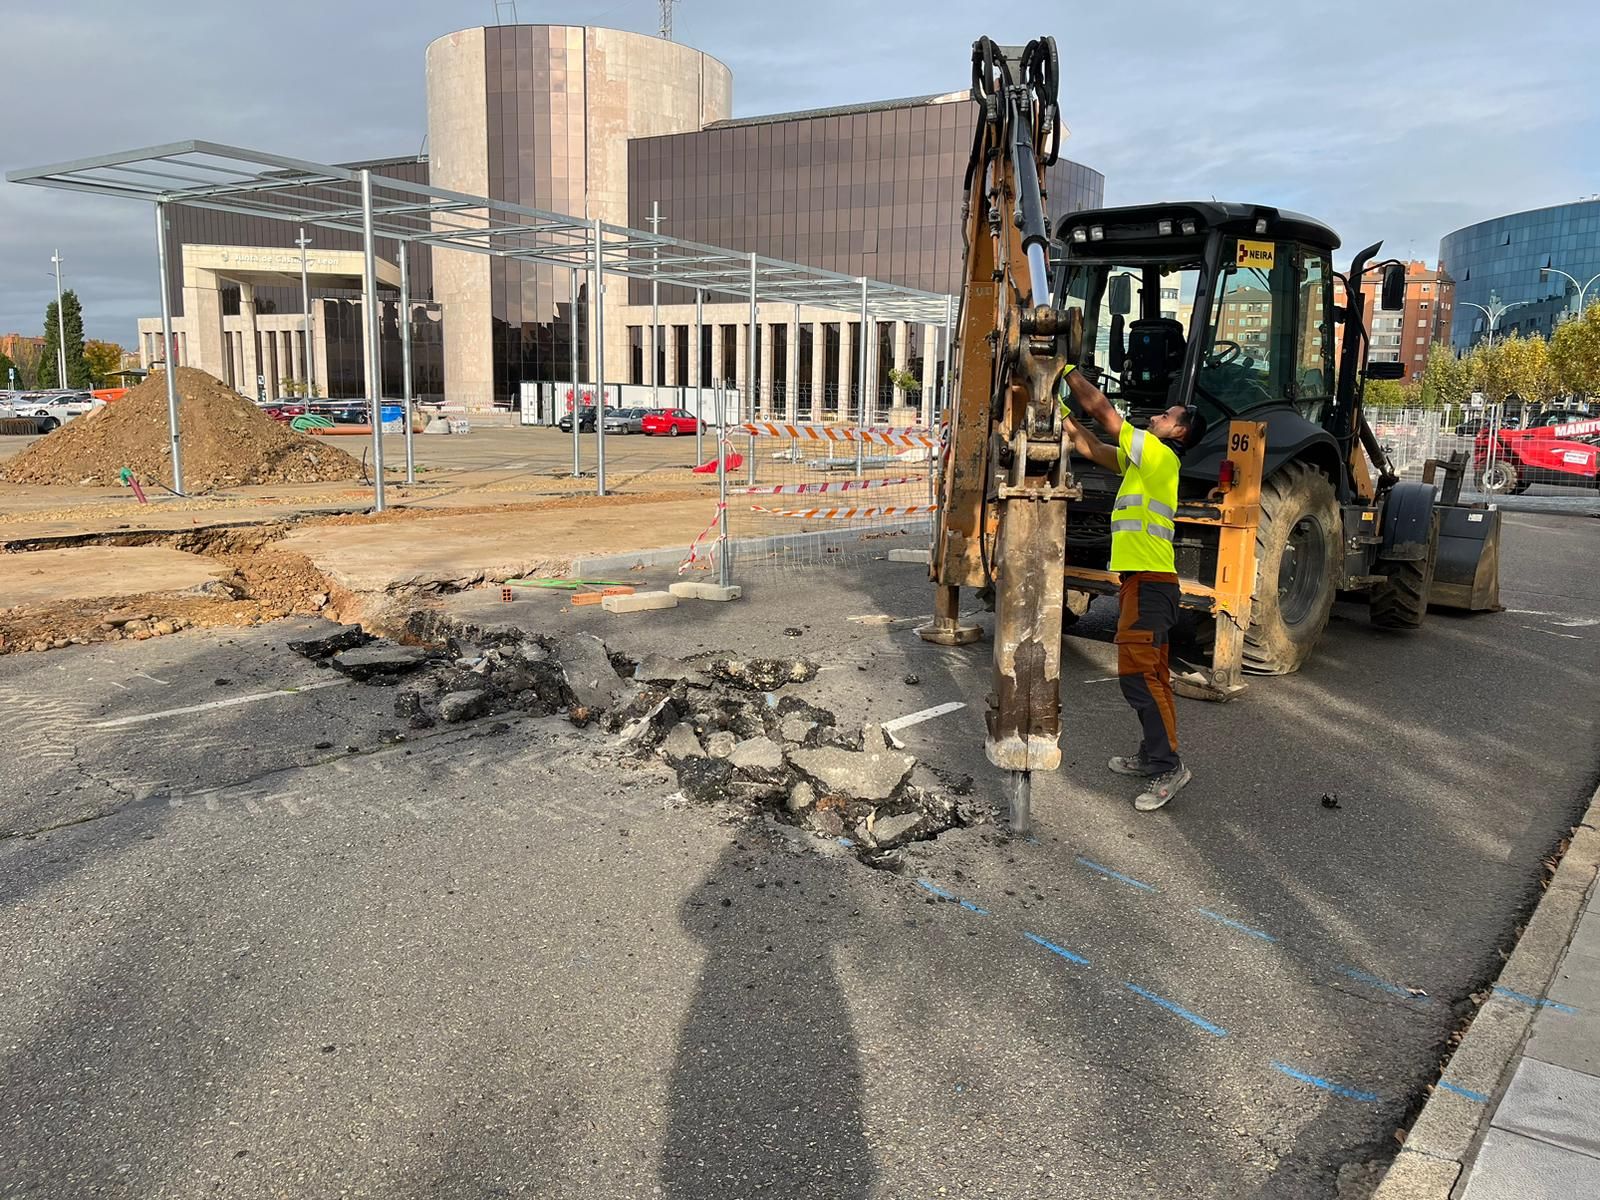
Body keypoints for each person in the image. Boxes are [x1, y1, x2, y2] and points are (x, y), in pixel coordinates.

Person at [1057, 364, 1206, 812]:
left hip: (1150, 583)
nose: (1156, 417)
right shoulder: (1144, 463)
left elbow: (1104, 414)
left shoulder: (1161, 456)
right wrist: (1059, 412)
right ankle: (1153, 755)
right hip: (1143, 584)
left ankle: (1167, 765)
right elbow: (1092, 445)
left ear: (1178, 432)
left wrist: (1067, 372)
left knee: (1139, 678)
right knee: (1153, 677)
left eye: (1166, 415)